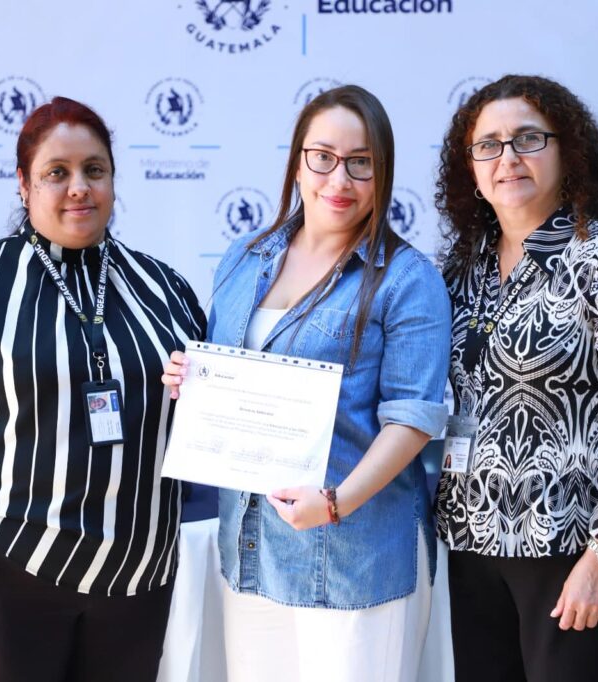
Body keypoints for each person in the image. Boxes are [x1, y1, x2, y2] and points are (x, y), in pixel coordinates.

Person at [0, 96, 206, 682]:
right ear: (23, 184)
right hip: (11, 568)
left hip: (139, 579)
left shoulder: (166, 289)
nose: (79, 188)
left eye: (94, 170)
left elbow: (206, 419)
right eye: (56, 172)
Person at [163, 85, 451, 682]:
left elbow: (413, 418)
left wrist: (337, 503)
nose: (339, 179)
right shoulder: (245, 257)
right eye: (323, 157)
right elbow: (228, 372)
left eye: (360, 162)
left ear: (383, 172)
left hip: (354, 558)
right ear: (298, 163)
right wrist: (190, 380)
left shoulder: (407, 279)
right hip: (253, 552)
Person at [433, 74, 598, 681]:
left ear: (568, 152)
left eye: (527, 139)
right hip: (469, 542)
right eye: (488, 144)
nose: (507, 157)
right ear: (470, 168)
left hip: (572, 545)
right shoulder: (461, 269)